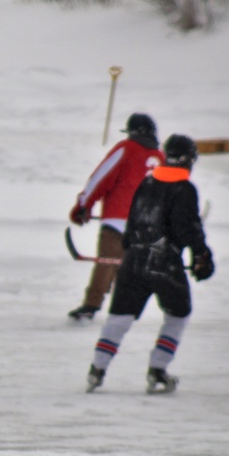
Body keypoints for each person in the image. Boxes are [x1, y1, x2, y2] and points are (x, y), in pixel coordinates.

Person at [85, 134, 214, 395]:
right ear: (189, 160)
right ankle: (157, 369)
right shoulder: (185, 188)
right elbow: (187, 227)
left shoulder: (147, 181)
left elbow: (132, 222)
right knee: (178, 314)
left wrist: (131, 251)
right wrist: (201, 254)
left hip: (133, 259)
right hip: (164, 262)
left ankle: (97, 369)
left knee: (120, 316)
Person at [67, 112, 165, 320]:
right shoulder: (160, 158)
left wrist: (84, 205)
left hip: (117, 218)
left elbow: (102, 177)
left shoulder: (126, 149)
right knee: (129, 266)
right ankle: (125, 307)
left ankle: (91, 305)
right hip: (146, 224)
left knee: (108, 261)